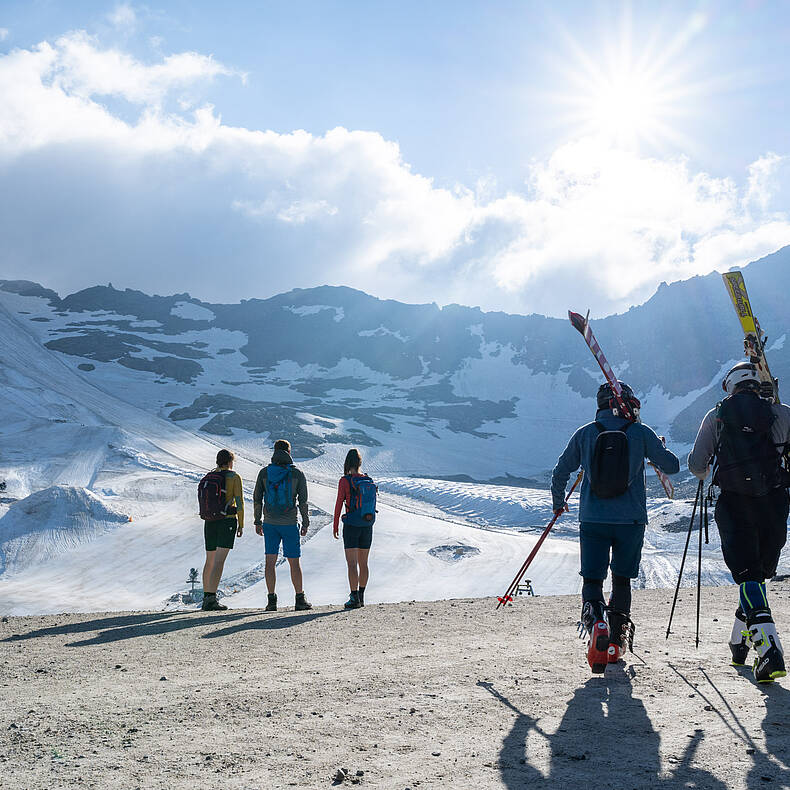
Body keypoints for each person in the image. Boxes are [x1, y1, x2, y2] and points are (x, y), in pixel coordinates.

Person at [551, 381, 679, 671]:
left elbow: (561, 471)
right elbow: (671, 466)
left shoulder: (585, 434)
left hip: (593, 519)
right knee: (621, 580)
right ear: (627, 404)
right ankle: (616, 642)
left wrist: (559, 503)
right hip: (631, 521)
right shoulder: (640, 433)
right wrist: (656, 445)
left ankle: (597, 624)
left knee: (592, 580)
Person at [688, 362, 790, 682]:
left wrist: (710, 472)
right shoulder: (782, 413)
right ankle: (738, 644)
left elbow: (696, 464)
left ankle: (769, 649)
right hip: (774, 505)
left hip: (735, 503)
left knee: (747, 577)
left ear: (731, 386)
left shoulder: (717, 415)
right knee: (756, 577)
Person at [253, 439, 312, 612]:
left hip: (270, 523)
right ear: (289, 452)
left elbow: (257, 499)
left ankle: (271, 601)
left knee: (269, 562)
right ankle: (299, 599)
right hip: (289, 523)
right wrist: (306, 522)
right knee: (294, 562)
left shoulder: (264, 473)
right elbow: (303, 501)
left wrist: (258, 521)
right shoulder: (297, 474)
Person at [200, 448, 244, 611]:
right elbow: (239, 501)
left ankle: (206, 597)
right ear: (230, 461)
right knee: (219, 561)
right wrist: (241, 523)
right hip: (227, 522)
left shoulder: (210, 476)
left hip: (210, 521)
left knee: (209, 560)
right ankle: (212, 599)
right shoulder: (234, 477)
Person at [333, 448, 377, 609]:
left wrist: (336, 524)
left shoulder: (345, 481)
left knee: (352, 563)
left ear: (347, 463)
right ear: (359, 463)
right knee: (363, 563)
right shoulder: (368, 479)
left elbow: (339, 503)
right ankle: (362, 596)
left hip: (351, 525)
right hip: (367, 525)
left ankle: (354, 598)